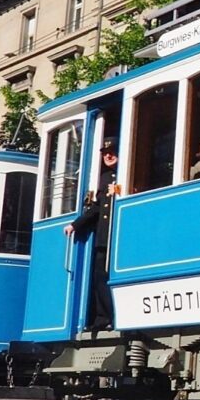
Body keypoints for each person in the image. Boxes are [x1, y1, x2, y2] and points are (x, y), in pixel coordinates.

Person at [63, 138, 119, 331]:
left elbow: (135, 191)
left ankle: (115, 316)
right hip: (103, 236)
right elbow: (96, 207)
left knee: (110, 276)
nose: (108, 155)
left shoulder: (124, 174)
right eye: (105, 153)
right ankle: (102, 318)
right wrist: (75, 224)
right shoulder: (103, 178)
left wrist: (120, 190)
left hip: (118, 236)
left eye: (112, 151)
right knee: (98, 276)